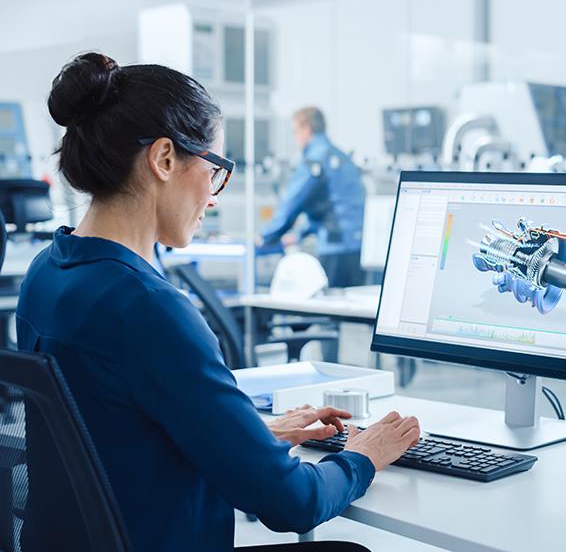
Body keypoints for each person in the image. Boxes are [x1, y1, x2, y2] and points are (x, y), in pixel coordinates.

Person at [15, 53, 420, 552]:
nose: (213, 197)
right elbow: (292, 503)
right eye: (214, 170)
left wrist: (250, 435)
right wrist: (363, 455)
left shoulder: (48, 272)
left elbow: (111, 431)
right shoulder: (148, 308)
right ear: (163, 159)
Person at [260, 107, 366, 288]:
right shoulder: (340, 156)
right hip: (358, 248)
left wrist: (266, 237)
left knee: (332, 310)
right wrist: (300, 233)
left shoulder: (315, 159)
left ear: (306, 129)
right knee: (350, 310)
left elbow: (293, 201)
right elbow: (330, 205)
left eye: (295, 132)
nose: (296, 138)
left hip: (335, 247)